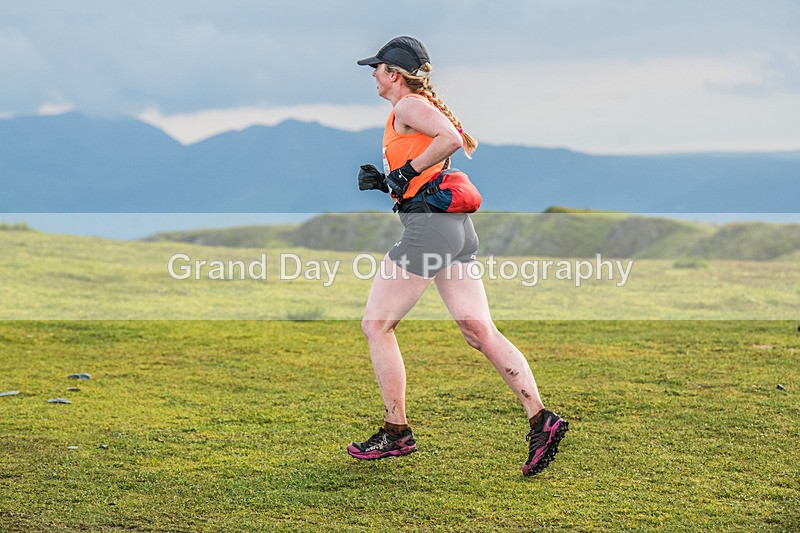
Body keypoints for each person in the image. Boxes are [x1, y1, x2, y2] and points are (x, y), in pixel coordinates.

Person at [348, 36, 568, 476]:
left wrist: (405, 172)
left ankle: (396, 431)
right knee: (478, 330)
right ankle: (542, 419)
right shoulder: (409, 111)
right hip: (450, 230)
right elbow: (431, 162)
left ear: (394, 74)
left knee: (376, 325)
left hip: (430, 231)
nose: (372, 74)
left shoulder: (407, 106)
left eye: (377, 68)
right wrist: (393, 182)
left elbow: (448, 138)